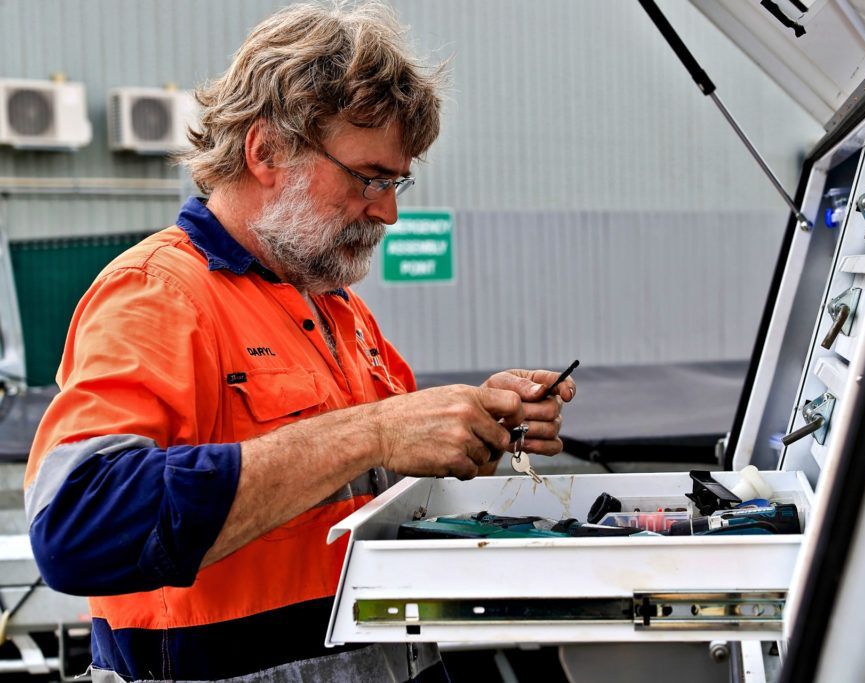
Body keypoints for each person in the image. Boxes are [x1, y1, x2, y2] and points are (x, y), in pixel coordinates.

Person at [23, 3, 575, 681]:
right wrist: (372, 430)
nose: (388, 209)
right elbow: (76, 528)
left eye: (397, 181)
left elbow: (371, 495)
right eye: (368, 177)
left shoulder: (338, 311)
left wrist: (477, 426)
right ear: (266, 152)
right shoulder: (158, 295)